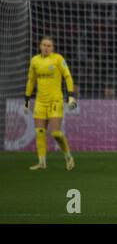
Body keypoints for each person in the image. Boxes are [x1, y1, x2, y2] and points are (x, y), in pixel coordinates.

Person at [25, 37, 77, 170]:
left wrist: (71, 96)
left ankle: (68, 156)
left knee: (55, 133)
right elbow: (31, 80)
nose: (46, 47)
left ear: (52, 48)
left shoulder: (58, 59)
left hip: (55, 100)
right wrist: (26, 99)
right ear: (40, 46)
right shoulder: (35, 60)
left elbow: (68, 76)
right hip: (40, 102)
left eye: (49, 45)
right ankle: (42, 162)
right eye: (44, 45)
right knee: (40, 131)